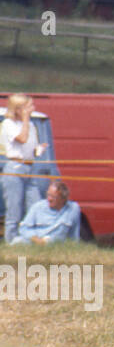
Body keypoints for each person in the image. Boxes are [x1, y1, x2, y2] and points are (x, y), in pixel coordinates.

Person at [3, 94, 45, 242]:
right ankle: (11, 241)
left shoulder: (32, 126)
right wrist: (26, 120)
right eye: (29, 106)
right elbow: (21, 139)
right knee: (14, 209)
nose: (32, 109)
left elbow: (31, 147)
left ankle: (34, 239)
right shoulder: (9, 124)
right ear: (19, 109)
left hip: (29, 167)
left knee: (36, 205)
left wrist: (38, 150)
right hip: (15, 168)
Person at [14, 180, 82, 244]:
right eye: (48, 195)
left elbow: (74, 235)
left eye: (53, 197)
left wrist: (73, 245)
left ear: (63, 198)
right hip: (35, 242)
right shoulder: (38, 207)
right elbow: (24, 228)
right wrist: (37, 240)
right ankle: (20, 257)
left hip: (56, 245)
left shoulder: (73, 209)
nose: (49, 199)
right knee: (18, 245)